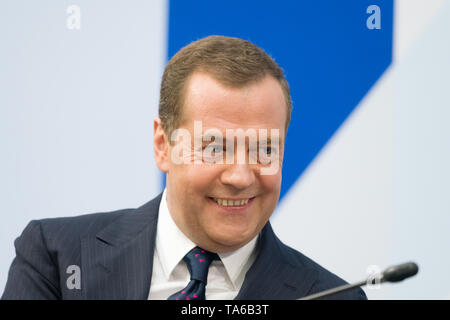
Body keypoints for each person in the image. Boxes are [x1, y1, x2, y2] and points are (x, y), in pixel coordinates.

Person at [2, 36, 366, 300]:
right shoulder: (57, 259)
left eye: (264, 149)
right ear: (164, 146)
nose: (240, 177)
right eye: (214, 147)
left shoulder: (332, 297)